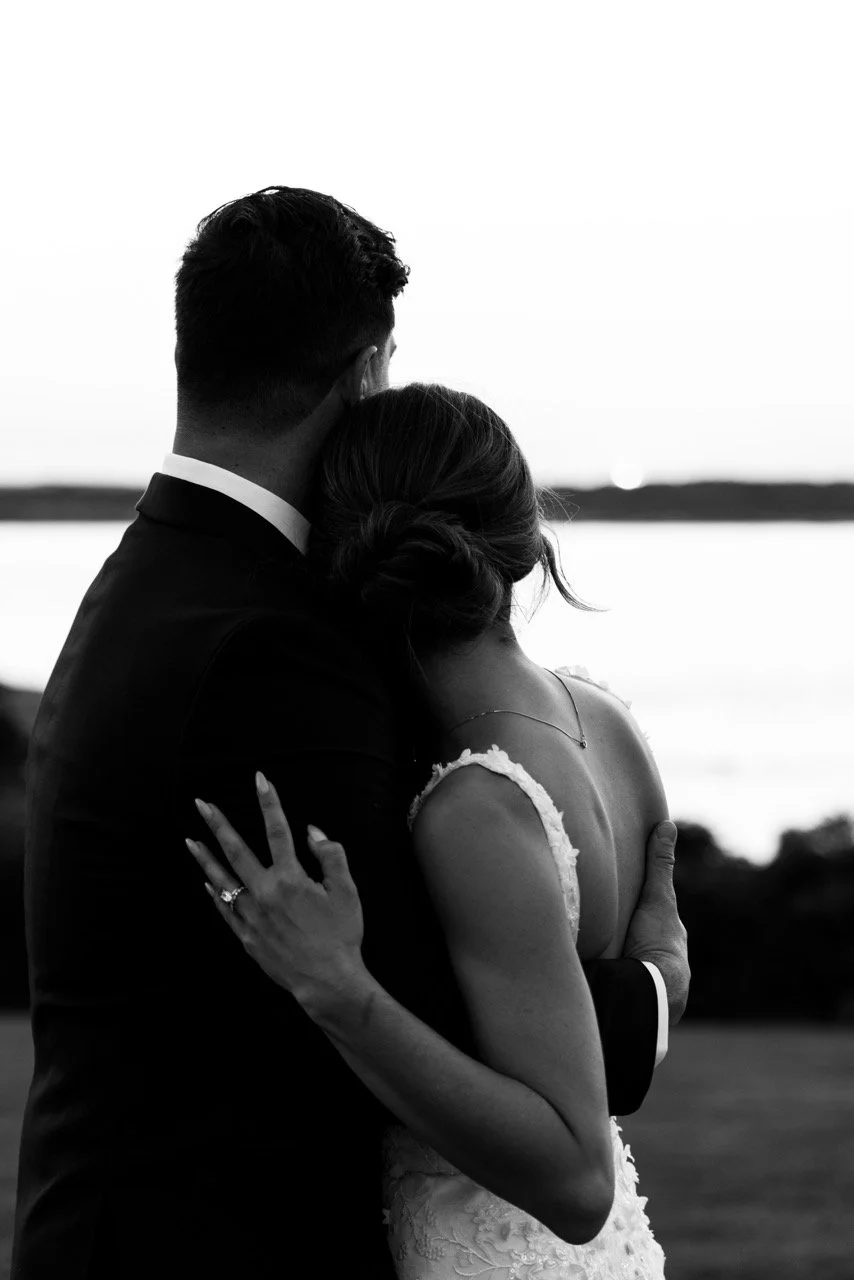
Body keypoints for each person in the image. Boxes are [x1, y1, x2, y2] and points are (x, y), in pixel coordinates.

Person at [12, 187, 687, 1280]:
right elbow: (452, 1006)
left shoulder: (157, 576)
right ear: (366, 365)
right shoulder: (268, 643)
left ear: (192, 348)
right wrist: (653, 982)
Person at [185, 382, 677, 1276]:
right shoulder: (609, 724)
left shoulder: (476, 808)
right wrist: (661, 987)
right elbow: (612, 1002)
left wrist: (339, 989)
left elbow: (573, 1179)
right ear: (524, 539)